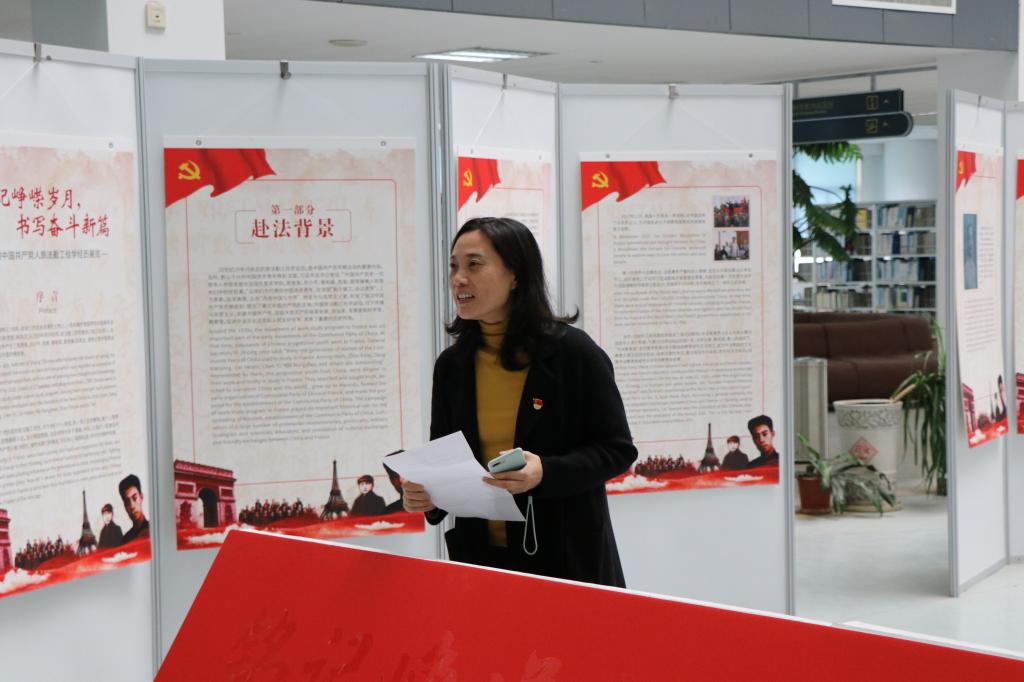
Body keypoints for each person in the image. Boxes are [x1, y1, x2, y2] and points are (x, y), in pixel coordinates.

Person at [401, 217, 637, 588]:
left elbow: (618, 450)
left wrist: (545, 472)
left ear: (515, 275)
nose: (458, 278)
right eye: (454, 266)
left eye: (474, 265)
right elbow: (448, 462)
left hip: (565, 561)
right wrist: (426, 496)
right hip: (481, 562)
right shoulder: (453, 366)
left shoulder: (573, 354)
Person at [118, 474, 149, 544]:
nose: (132, 506)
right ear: (124, 506)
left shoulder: (155, 529)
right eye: (127, 502)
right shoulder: (125, 541)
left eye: (134, 498)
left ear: (141, 497)